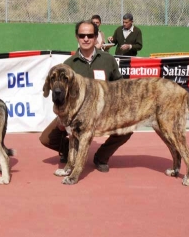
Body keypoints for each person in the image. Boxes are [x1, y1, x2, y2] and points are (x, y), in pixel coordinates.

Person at [39, 20, 132, 172]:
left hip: (103, 114)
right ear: (77, 37)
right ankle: (70, 150)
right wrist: (64, 120)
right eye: (82, 35)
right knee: (46, 139)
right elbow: (62, 94)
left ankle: (101, 156)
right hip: (75, 116)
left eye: (90, 35)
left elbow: (119, 86)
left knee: (128, 127)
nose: (86, 39)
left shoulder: (108, 60)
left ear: (96, 37)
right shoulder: (69, 64)